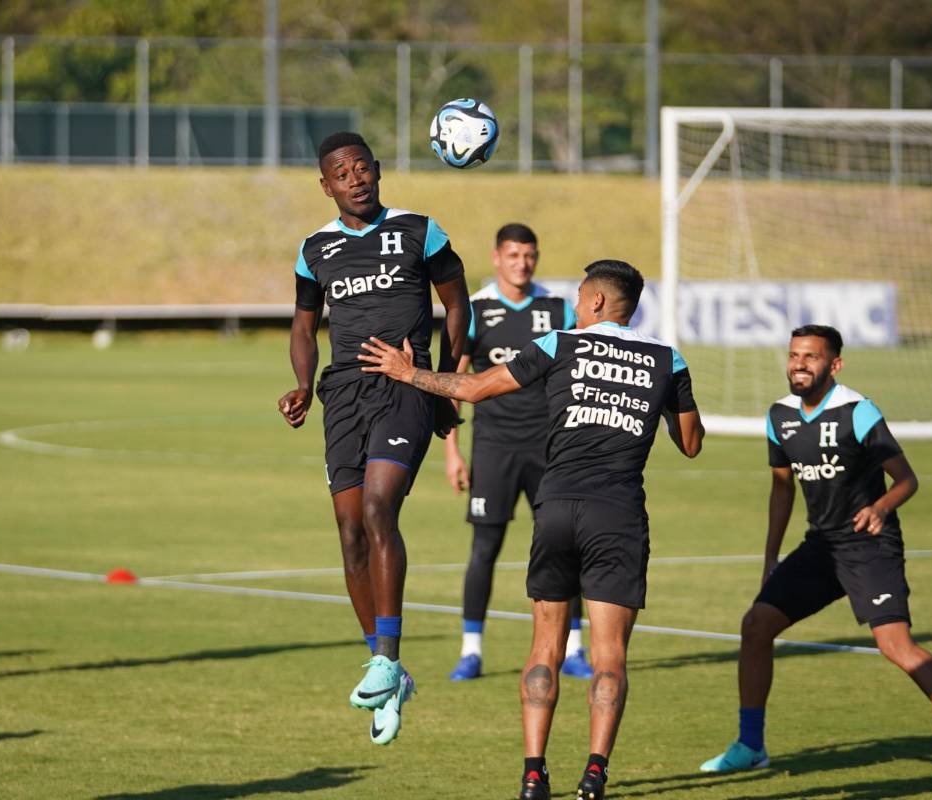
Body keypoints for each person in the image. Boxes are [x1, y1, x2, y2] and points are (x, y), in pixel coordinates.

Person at [360, 260, 703, 800]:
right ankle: (594, 774)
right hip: (618, 515)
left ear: (596, 303)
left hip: (558, 507)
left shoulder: (561, 344)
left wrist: (412, 375)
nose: (573, 303)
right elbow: (690, 443)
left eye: (581, 293)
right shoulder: (668, 359)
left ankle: (534, 774)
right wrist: (667, 396)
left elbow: (473, 389)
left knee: (545, 644)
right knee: (610, 654)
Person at [699, 324, 932, 781]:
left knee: (895, 645)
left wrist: (879, 508)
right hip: (821, 547)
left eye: (811, 356)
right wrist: (769, 559)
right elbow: (782, 490)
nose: (799, 363)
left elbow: (907, 480)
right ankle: (750, 744)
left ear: (834, 364)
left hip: (868, 546)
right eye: (794, 354)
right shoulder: (778, 416)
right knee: (756, 625)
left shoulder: (857, 412)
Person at [277, 132, 470, 745]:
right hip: (344, 397)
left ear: (378, 171)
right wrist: (304, 385)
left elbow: (458, 304)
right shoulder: (315, 250)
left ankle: (388, 654)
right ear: (326, 185)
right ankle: (387, 670)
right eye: (341, 171)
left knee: (380, 506)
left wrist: (438, 380)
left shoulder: (420, 230)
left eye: (362, 167)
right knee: (350, 528)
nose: (354, 177)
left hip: (404, 386)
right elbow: (304, 326)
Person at [442, 223, 592, 682]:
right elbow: (453, 381)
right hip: (494, 447)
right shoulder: (477, 310)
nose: (522, 263)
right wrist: (452, 451)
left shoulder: (558, 308)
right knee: (484, 546)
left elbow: (581, 373)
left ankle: (574, 648)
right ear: (496, 257)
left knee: (565, 545)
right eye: (513, 255)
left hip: (550, 448)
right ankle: (471, 650)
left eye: (529, 255)